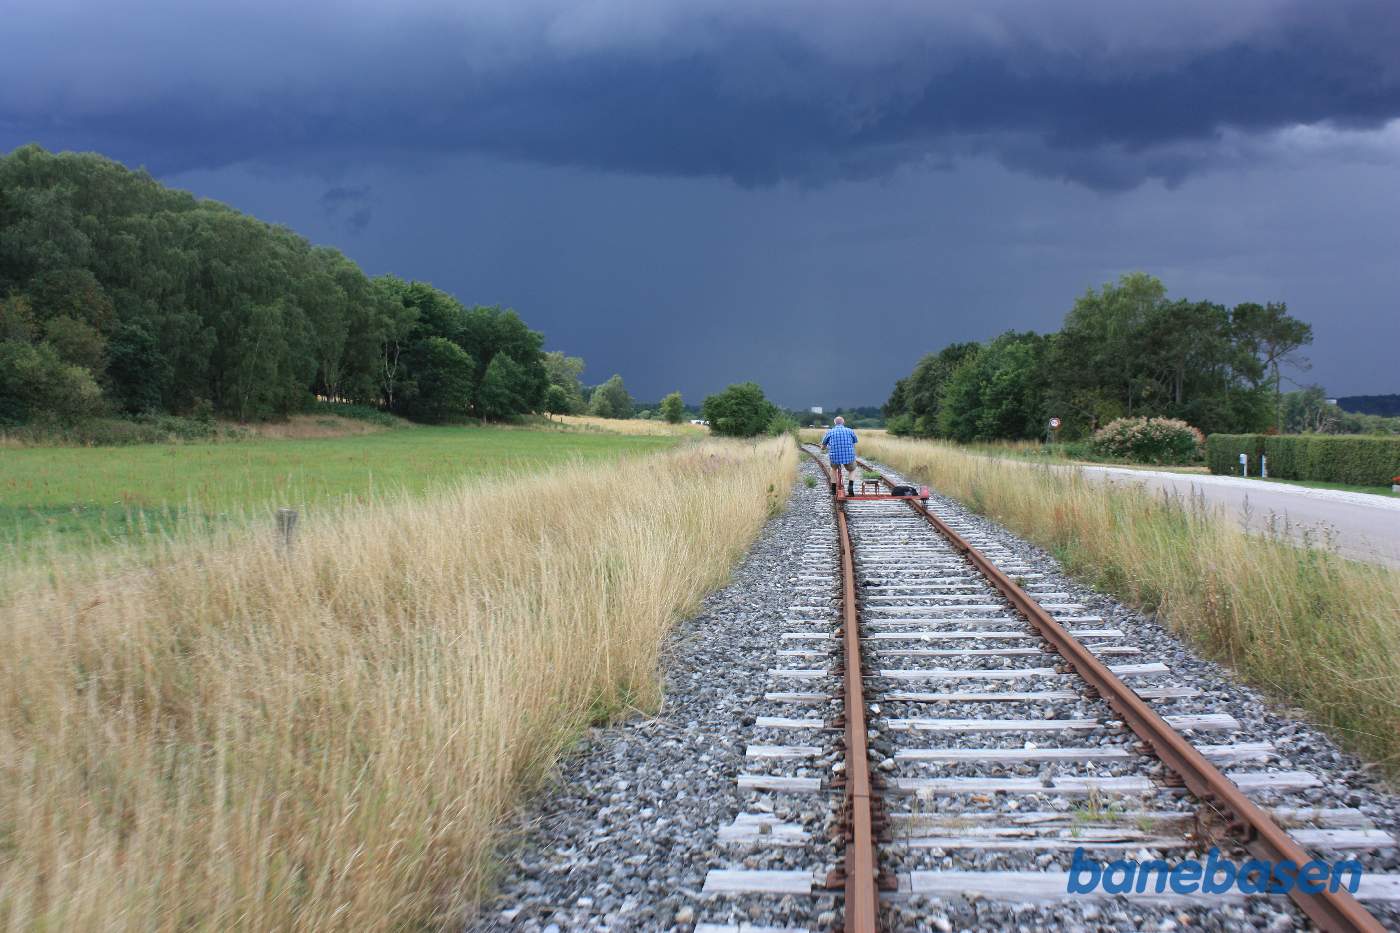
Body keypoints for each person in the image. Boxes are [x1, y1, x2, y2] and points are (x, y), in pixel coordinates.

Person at [820, 416, 859, 496]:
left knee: (833, 469)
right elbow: (854, 442)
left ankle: (833, 490)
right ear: (843, 422)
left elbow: (823, 447)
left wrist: (824, 447)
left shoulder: (830, 432)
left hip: (835, 456)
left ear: (835, 423)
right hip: (849, 456)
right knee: (853, 469)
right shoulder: (850, 430)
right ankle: (850, 487)